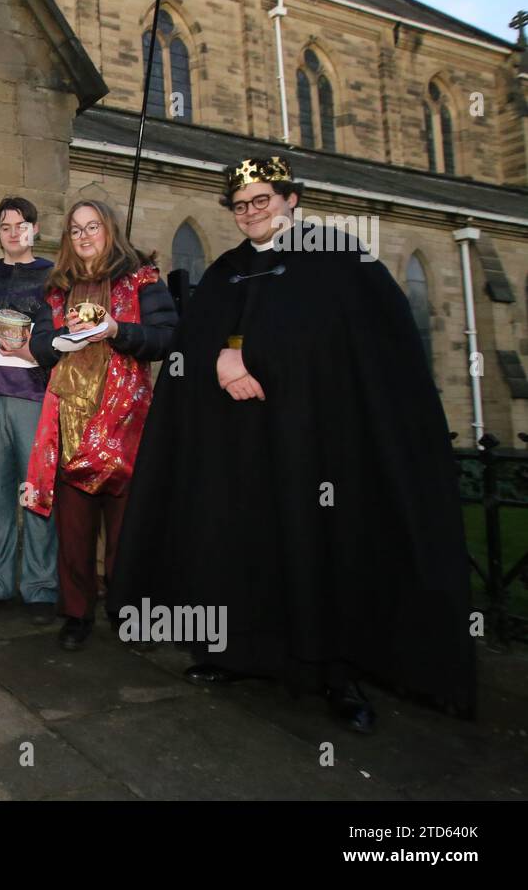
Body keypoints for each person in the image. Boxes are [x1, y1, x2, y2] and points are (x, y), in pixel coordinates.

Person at [108, 156, 476, 732]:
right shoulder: (227, 269)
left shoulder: (337, 261)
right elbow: (194, 340)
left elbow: (346, 345)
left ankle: (335, 673)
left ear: (291, 200)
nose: (251, 213)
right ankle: (238, 654)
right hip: (239, 451)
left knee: (315, 548)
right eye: (240, 205)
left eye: (262, 201)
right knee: (243, 545)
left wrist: (250, 356)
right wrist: (219, 359)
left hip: (315, 449)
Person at [23, 200, 177, 650]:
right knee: (73, 533)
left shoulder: (143, 279)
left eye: (93, 227)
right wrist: (60, 338)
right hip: (71, 423)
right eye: (75, 230)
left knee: (126, 532)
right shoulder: (57, 287)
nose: (85, 236)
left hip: (127, 424)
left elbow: (169, 337)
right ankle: (76, 614)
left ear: (109, 230)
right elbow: (40, 344)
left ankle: (127, 612)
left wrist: (116, 331)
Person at [0, 196, 63, 624]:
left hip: (34, 397)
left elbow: (60, 336)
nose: (14, 232)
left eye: (21, 225)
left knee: (35, 493)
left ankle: (40, 588)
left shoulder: (54, 276)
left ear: (34, 229)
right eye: (5, 226)